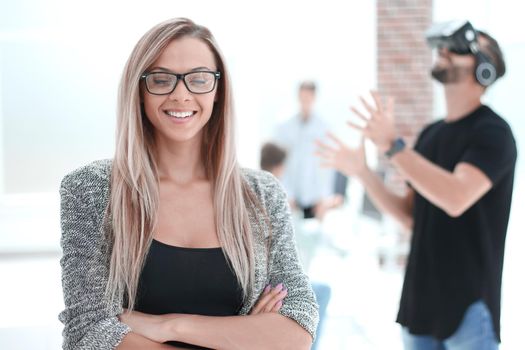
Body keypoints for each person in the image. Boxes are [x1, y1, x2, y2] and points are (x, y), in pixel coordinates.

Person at [59, 18, 318, 350]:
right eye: (162, 79)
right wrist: (245, 334)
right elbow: (87, 333)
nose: (180, 94)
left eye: (198, 79)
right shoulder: (92, 190)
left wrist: (170, 325)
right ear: (139, 90)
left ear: (217, 91)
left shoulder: (262, 195)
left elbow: (297, 329)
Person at [316, 22, 516, 350]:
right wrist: (363, 172)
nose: (445, 52)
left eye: (460, 48)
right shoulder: (430, 135)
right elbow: (411, 216)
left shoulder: (493, 133)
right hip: (419, 304)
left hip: (468, 308)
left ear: (484, 70)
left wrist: (394, 147)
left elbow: (456, 197)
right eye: (444, 47)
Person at [260, 142, 332, 350]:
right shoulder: (276, 194)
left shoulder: (256, 187)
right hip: (274, 282)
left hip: (268, 277)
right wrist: (321, 218)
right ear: (280, 166)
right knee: (321, 291)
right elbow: (301, 241)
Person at [274, 81, 344, 220]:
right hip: (291, 198)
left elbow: (328, 166)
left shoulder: (324, 128)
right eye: (302, 97)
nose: (305, 102)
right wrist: (286, 194)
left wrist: (324, 198)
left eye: (308, 98)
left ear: (314, 98)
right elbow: (281, 165)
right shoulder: (285, 127)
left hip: (316, 200)